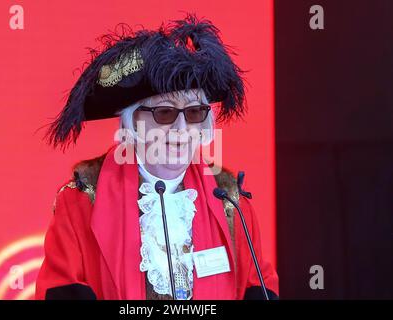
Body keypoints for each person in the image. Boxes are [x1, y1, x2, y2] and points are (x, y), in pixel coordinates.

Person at [35, 13, 279, 300]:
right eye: (164, 112)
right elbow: (61, 289)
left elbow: (259, 287)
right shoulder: (82, 200)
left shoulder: (230, 201)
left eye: (193, 112)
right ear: (132, 122)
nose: (181, 128)